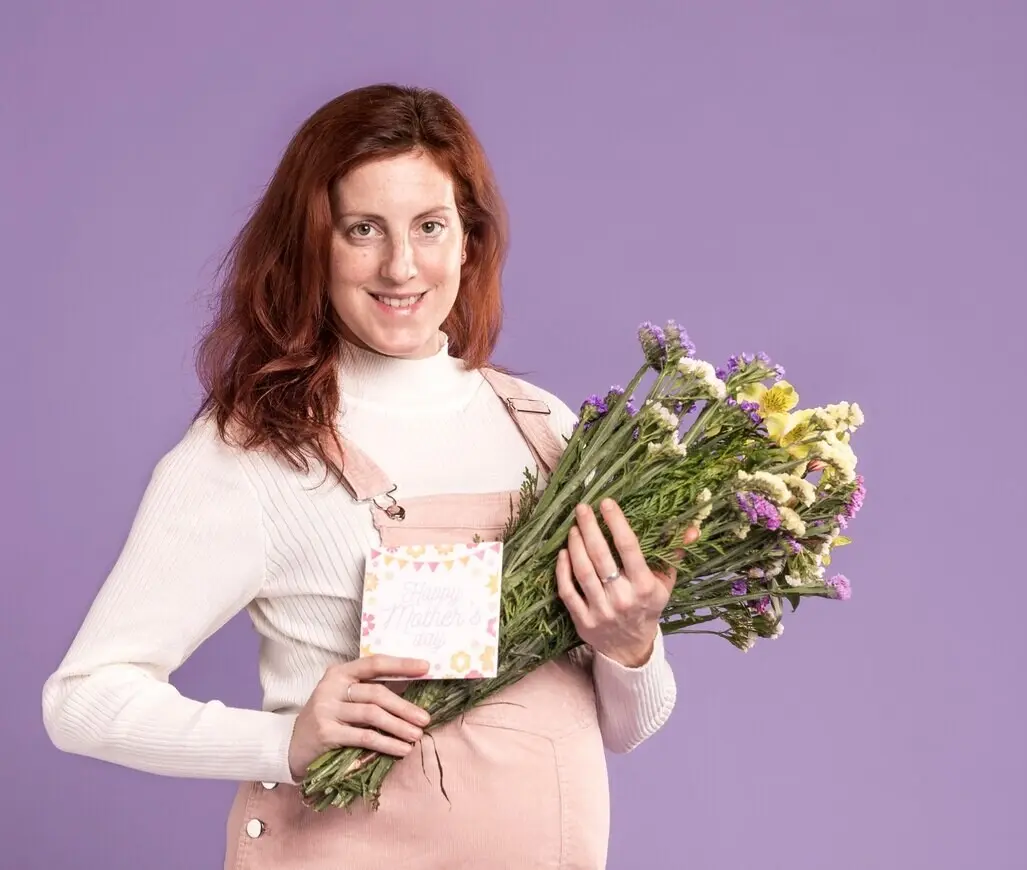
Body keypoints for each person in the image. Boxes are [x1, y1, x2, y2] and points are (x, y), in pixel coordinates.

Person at [41, 83, 689, 869]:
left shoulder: (545, 428)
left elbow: (622, 727)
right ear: (314, 244)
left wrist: (630, 645)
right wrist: (282, 742)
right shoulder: (256, 451)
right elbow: (82, 700)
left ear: (469, 242)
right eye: (363, 229)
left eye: (429, 226)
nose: (401, 265)